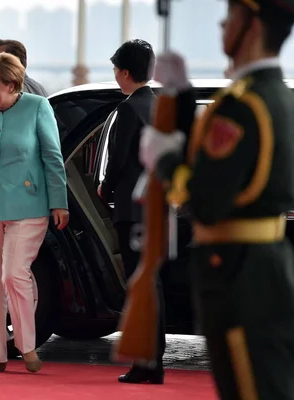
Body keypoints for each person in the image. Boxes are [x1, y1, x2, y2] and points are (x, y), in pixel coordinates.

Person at [140, 0, 294, 398]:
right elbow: (228, 170)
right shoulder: (276, 98)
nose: (223, 23)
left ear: (253, 27)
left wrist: (166, 160)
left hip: (238, 271)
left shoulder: (242, 106)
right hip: (262, 263)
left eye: (232, 16)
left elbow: (205, 201)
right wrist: (185, 99)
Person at [0, 52, 69, 373]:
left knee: (13, 275)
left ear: (12, 85)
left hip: (29, 204)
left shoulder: (37, 107)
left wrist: (59, 202)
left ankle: (27, 347)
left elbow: (52, 157)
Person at [97, 39, 166, 384]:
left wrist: (104, 188)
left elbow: (119, 160)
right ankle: (154, 359)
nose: (115, 76)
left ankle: (146, 363)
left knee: (138, 286)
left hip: (132, 208)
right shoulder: (159, 107)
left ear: (125, 72)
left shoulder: (128, 109)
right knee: (152, 284)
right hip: (157, 208)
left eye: (115, 70)